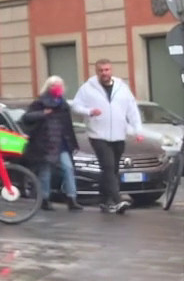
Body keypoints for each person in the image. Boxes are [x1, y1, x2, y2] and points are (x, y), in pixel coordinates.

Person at [71, 59, 143, 214]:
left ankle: (104, 200)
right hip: (98, 134)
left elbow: (132, 109)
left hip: (119, 134)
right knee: (108, 166)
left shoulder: (122, 87)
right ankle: (117, 200)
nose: (104, 73)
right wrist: (89, 111)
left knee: (113, 169)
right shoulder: (87, 88)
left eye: (107, 70)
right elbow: (76, 106)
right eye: (101, 70)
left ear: (111, 70)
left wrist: (138, 130)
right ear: (96, 72)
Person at [21, 76, 83, 211]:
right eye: (54, 85)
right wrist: (42, 113)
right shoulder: (39, 103)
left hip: (62, 143)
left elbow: (68, 126)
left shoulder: (63, 104)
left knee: (68, 168)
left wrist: (73, 143)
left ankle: (71, 198)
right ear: (48, 87)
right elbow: (26, 118)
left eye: (59, 85)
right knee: (45, 171)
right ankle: (45, 199)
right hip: (44, 143)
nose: (58, 88)